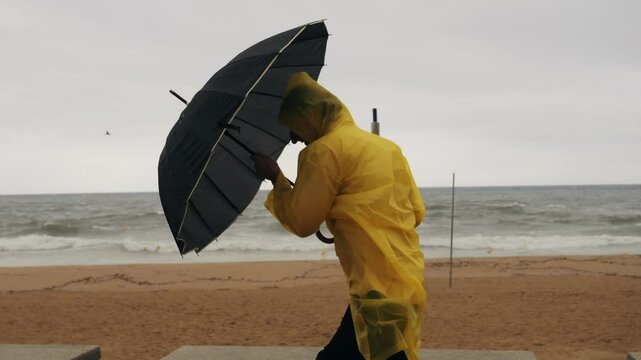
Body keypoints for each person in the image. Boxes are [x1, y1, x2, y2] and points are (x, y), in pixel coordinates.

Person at [251, 72, 426, 360]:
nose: (293, 139)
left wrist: (276, 179)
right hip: (407, 277)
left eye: (294, 127)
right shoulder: (388, 148)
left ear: (309, 117)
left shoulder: (324, 151)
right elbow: (416, 212)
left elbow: (302, 221)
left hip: (375, 290)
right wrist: (349, 216)